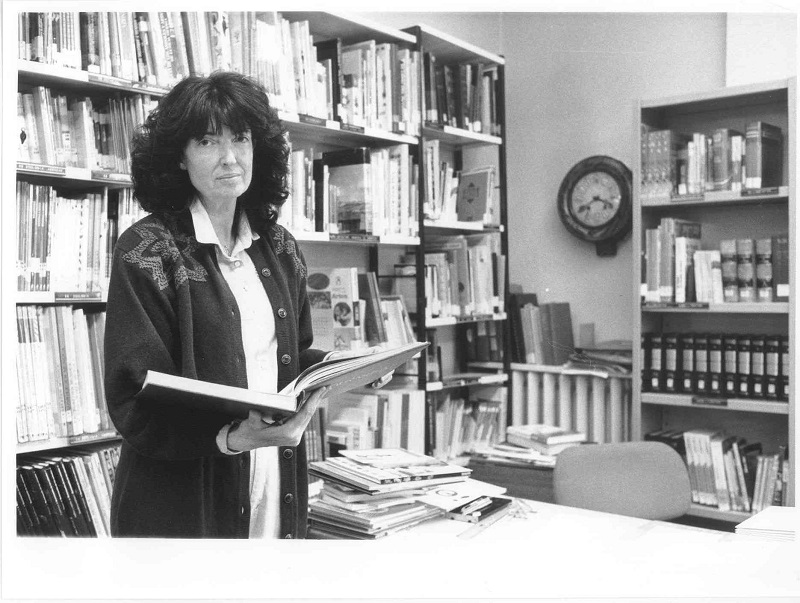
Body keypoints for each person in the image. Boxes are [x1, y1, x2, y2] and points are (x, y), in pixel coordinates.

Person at [104, 71, 375, 539]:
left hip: (273, 478)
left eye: (241, 138)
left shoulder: (279, 247)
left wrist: (343, 365)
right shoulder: (147, 250)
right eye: (208, 141)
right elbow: (133, 396)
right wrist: (231, 438)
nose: (229, 157)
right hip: (183, 501)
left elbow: (284, 359)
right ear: (179, 157)